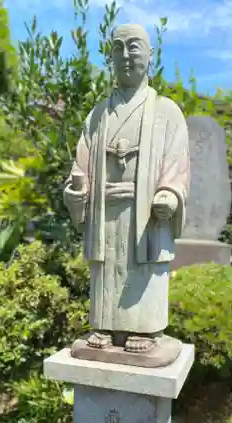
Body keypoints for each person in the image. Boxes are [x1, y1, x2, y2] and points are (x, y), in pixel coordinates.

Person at [64, 24, 190, 356]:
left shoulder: (166, 111)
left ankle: (145, 329)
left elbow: (177, 163)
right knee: (108, 268)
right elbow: (81, 165)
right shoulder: (98, 116)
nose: (125, 55)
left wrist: (169, 194)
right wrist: (77, 192)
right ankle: (104, 325)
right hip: (105, 211)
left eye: (134, 47)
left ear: (150, 55)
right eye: (118, 48)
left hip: (145, 213)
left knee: (142, 266)